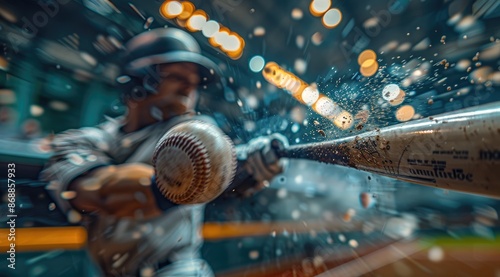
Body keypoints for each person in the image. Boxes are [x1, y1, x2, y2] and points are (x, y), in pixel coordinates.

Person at [41, 28, 287, 277]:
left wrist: (247, 166)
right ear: (137, 80)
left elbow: (218, 164)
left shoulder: (193, 132)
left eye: (193, 83)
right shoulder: (81, 142)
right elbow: (99, 194)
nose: (188, 89)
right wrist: (178, 183)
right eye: (177, 77)